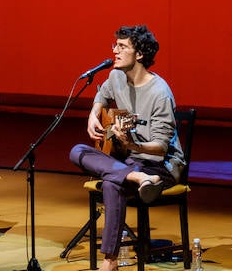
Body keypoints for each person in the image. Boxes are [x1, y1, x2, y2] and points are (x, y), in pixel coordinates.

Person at [69, 25, 185, 271]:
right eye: (115, 45)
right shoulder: (116, 76)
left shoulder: (160, 92)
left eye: (122, 47)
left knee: (112, 183)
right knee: (77, 151)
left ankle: (109, 262)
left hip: (160, 166)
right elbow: (102, 95)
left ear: (139, 54)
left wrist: (132, 144)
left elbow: (162, 148)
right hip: (134, 164)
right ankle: (138, 178)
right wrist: (92, 114)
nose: (115, 51)